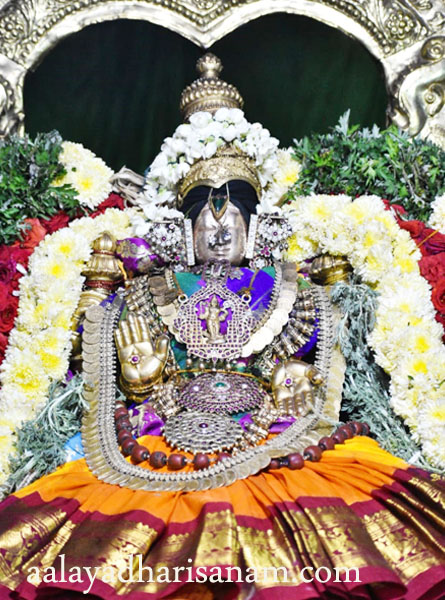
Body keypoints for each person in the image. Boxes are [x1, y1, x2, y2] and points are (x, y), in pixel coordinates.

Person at [0, 53, 444, 600]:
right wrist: (142, 382)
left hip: (276, 436)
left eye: (233, 214)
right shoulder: (144, 293)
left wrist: (299, 380)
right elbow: (103, 387)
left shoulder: (295, 292)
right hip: (158, 437)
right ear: (182, 227)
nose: (218, 229)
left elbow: (324, 371)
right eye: (204, 218)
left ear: (256, 224)